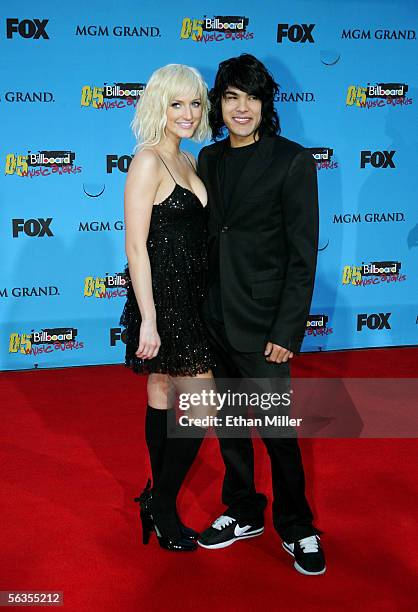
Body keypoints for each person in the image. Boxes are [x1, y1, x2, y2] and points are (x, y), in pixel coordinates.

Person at [196, 54, 326, 575]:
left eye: (251, 96)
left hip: (264, 323)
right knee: (230, 425)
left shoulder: (293, 161)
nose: (241, 107)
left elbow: (303, 252)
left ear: (265, 103)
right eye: (231, 97)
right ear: (219, 104)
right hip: (213, 317)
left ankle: (297, 526)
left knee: (277, 431)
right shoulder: (208, 159)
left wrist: (287, 328)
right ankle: (244, 508)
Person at [120, 64, 214, 552]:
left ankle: (156, 502)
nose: (188, 113)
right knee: (201, 406)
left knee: (161, 393)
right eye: (177, 103)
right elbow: (136, 247)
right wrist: (149, 318)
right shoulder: (148, 161)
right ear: (158, 105)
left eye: (195, 103)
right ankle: (163, 502)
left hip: (194, 299)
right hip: (164, 303)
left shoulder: (189, 160)